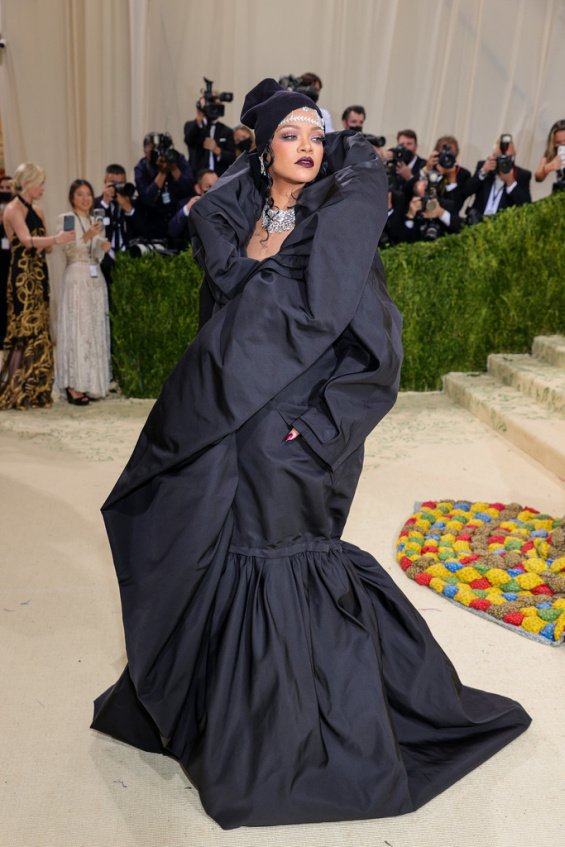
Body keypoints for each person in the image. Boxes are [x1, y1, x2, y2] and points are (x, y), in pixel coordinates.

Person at [91, 79, 530, 829]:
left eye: (315, 135)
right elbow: (226, 322)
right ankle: (228, 724)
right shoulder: (228, 221)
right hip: (226, 426)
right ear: (263, 147)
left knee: (284, 561)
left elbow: (377, 352)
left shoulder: (343, 227)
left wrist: (320, 431)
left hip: (293, 439)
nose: (306, 145)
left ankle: (299, 741)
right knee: (214, 551)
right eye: (290, 134)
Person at [0, 162, 74, 410]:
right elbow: (25, 240)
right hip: (21, 276)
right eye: (40, 183)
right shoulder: (12, 209)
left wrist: (55, 239)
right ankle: (15, 390)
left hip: (38, 274)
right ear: (29, 183)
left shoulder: (38, 211)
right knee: (23, 330)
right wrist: (55, 238)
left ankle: (35, 390)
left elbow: (46, 247)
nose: (42, 188)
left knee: (40, 327)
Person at [56, 180, 112, 404]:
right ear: (72, 198)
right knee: (78, 328)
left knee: (92, 329)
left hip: (95, 277)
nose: (85, 198)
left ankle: (91, 383)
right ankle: (74, 385)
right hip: (76, 278)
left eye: (88, 194)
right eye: (80, 194)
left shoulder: (95, 220)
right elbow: (68, 248)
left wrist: (101, 246)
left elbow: (95, 253)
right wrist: (88, 236)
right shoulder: (68, 219)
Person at [134, 132, 194, 241]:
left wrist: (174, 168)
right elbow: (147, 198)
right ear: (145, 151)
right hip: (153, 220)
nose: (160, 154)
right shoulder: (141, 168)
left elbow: (189, 188)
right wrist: (162, 172)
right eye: (154, 149)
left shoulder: (178, 159)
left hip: (178, 217)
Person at [464, 135, 532, 223]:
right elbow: (466, 191)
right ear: (493, 156)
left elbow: (527, 206)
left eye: (507, 157)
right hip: (477, 222)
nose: (503, 161)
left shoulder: (521, 175)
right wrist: (482, 173)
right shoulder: (484, 167)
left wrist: (511, 183)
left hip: (501, 227)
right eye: (499, 156)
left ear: (513, 156)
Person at [184, 93, 236, 177]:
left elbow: (232, 158)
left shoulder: (227, 131)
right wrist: (199, 119)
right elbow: (189, 140)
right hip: (197, 179)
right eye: (212, 106)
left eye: (218, 105)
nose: (215, 109)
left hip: (219, 179)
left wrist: (217, 150)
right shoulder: (192, 126)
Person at [167, 169, 218, 247]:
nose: (213, 191)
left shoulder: (225, 206)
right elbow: (172, 231)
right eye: (208, 187)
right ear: (198, 188)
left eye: (217, 187)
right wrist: (186, 209)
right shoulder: (185, 204)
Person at [0, 174, 13, 349]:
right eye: (1, 188)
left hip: (14, 257)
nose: (4, 191)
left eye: (7, 188)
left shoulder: (17, 208)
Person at [534, 119, 565, 192]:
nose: (563, 145)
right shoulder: (552, 150)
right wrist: (547, 168)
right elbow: (538, 177)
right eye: (558, 142)